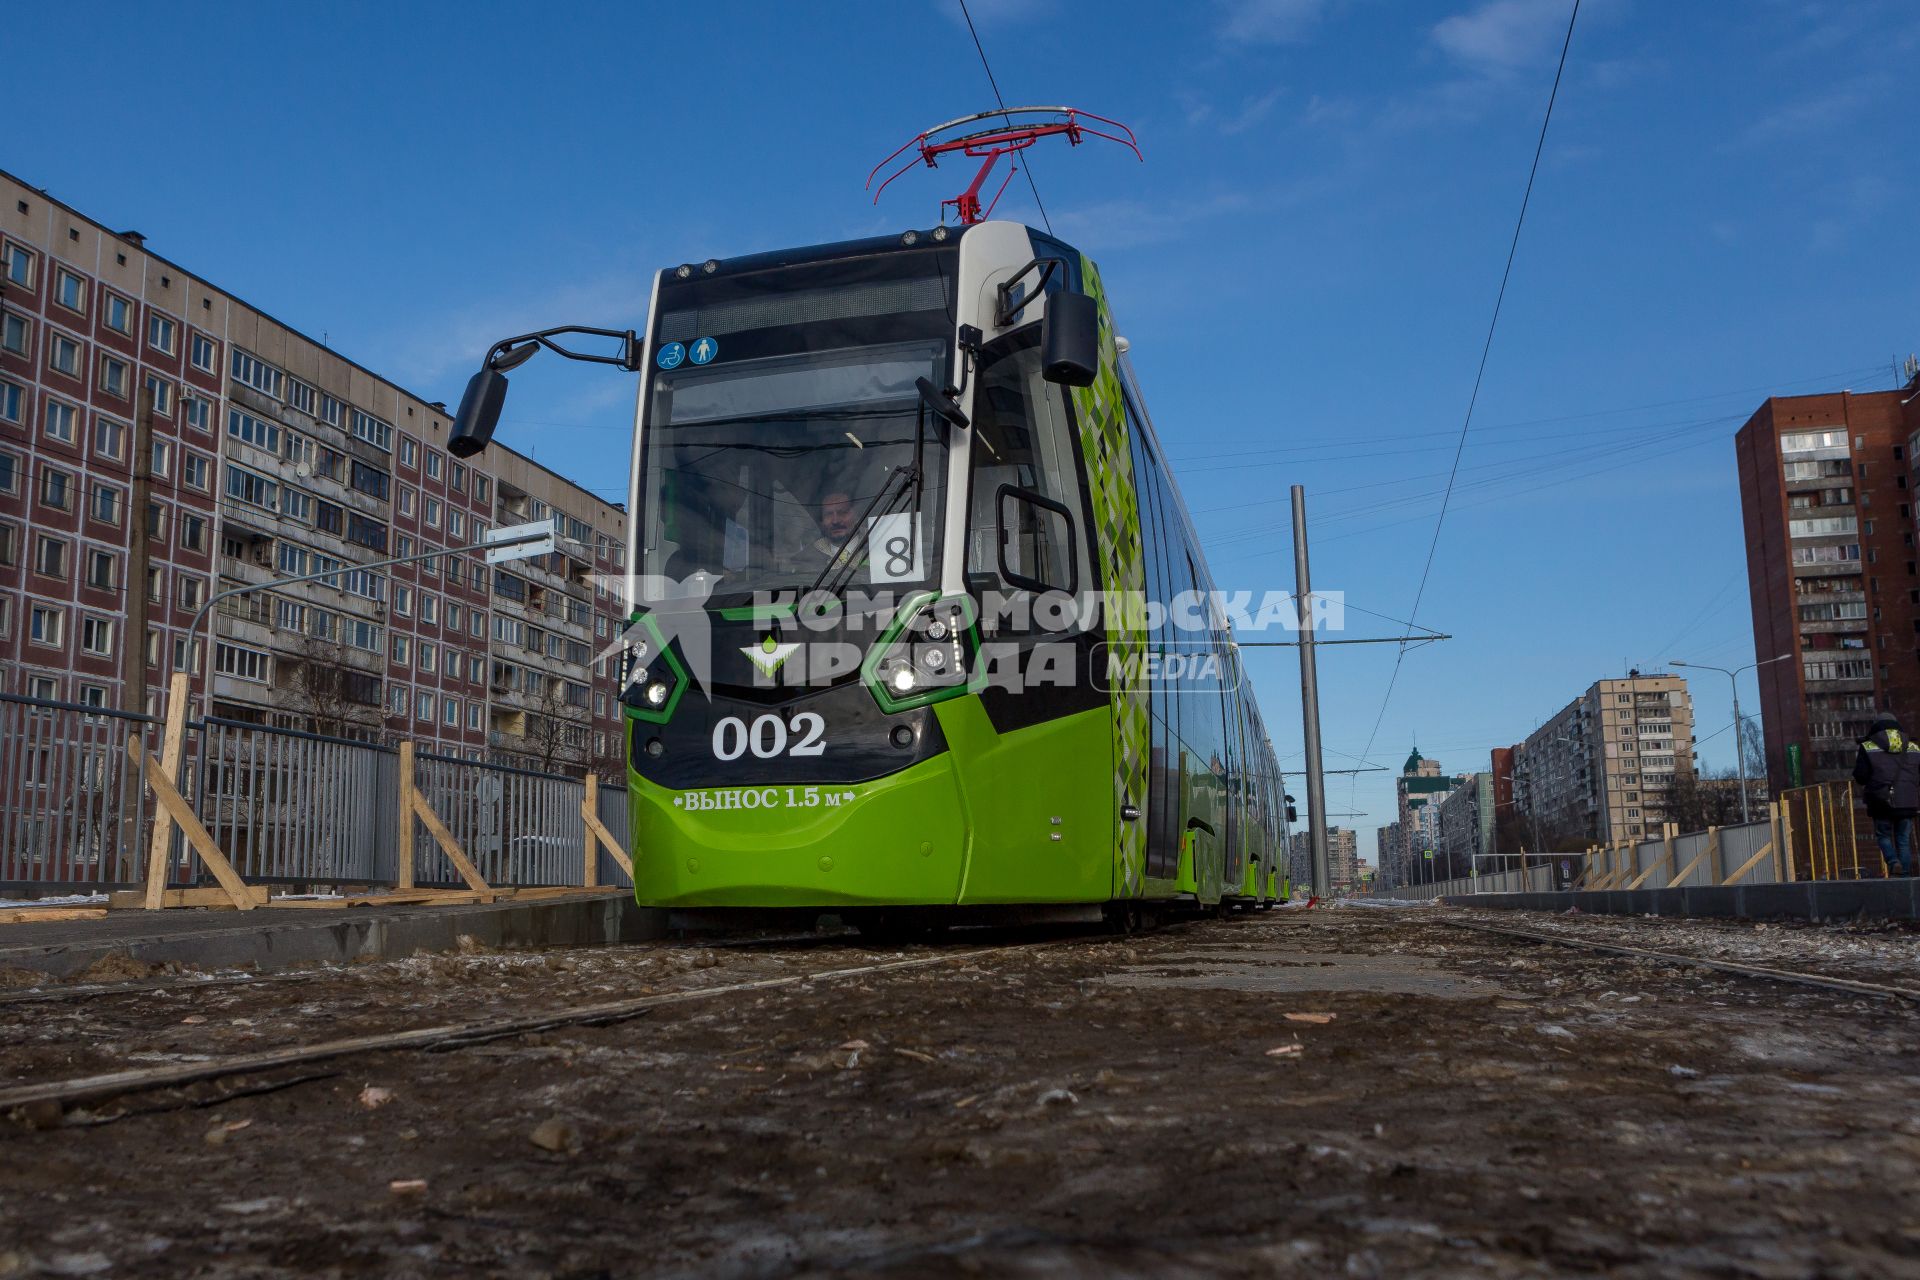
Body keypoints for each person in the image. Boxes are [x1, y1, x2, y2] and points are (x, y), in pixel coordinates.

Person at [1852, 714, 1920, 876]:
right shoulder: (1913, 746)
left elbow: (1861, 776)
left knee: (1883, 835)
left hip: (1881, 800)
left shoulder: (1868, 746)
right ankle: (1904, 878)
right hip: (1907, 801)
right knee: (1903, 841)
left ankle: (1892, 861)